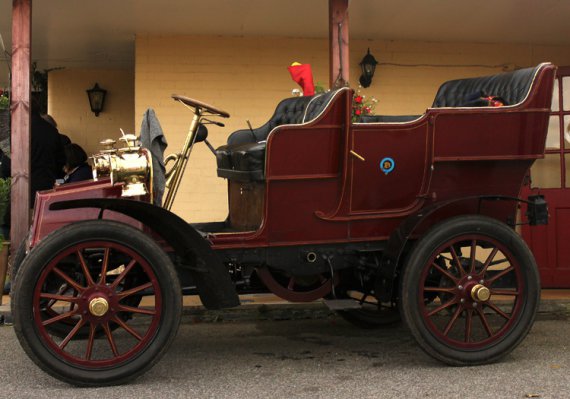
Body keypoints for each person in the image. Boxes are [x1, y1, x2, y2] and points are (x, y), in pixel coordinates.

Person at [31, 99, 65, 207]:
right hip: (46, 182)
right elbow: (61, 159)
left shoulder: (19, 129)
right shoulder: (51, 130)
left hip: (22, 184)